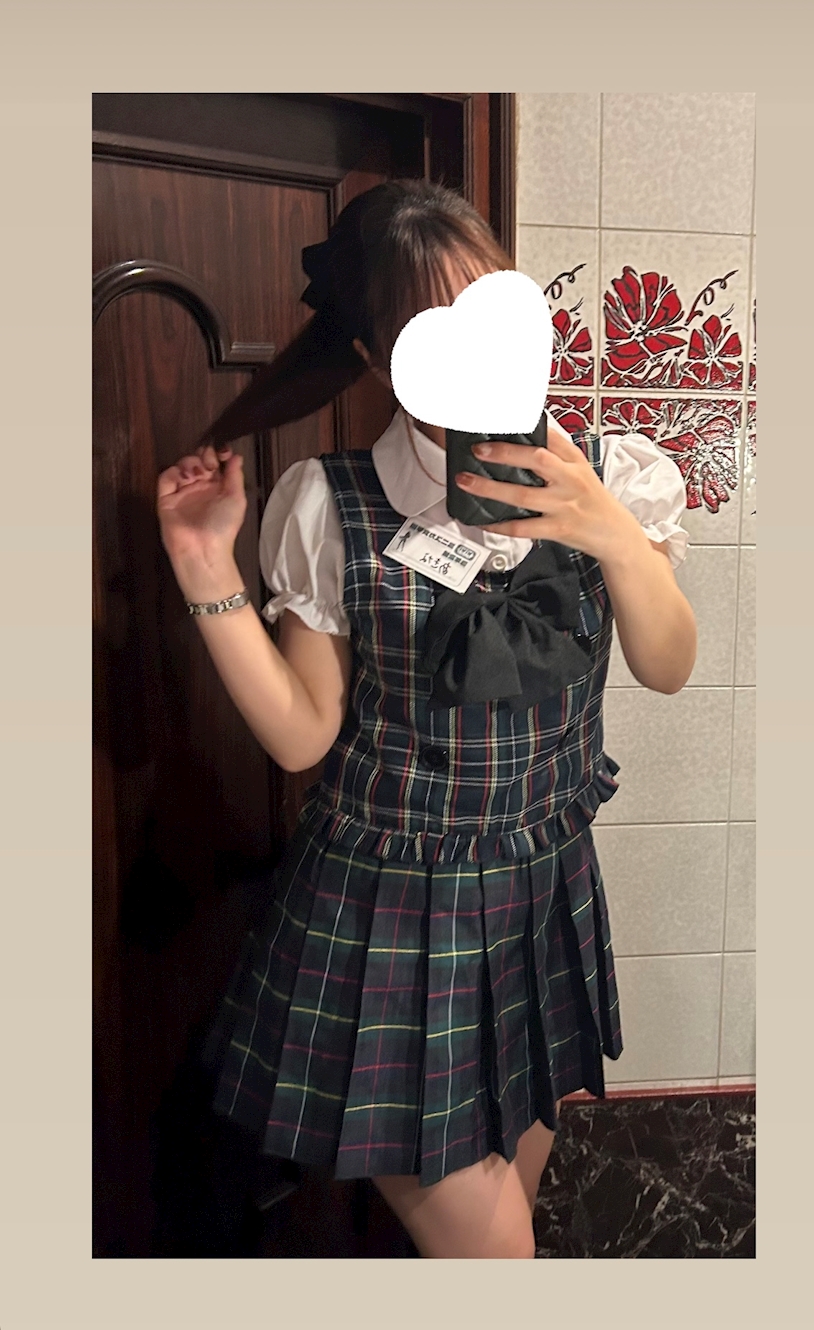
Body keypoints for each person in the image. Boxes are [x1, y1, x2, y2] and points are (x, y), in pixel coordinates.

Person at [156, 179, 696, 1259]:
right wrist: (207, 568)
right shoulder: (332, 504)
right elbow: (304, 735)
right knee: (500, 1260)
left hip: (543, 896)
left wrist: (609, 531)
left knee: (507, 1224)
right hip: (391, 924)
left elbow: (669, 665)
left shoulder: (615, 478)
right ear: (377, 356)